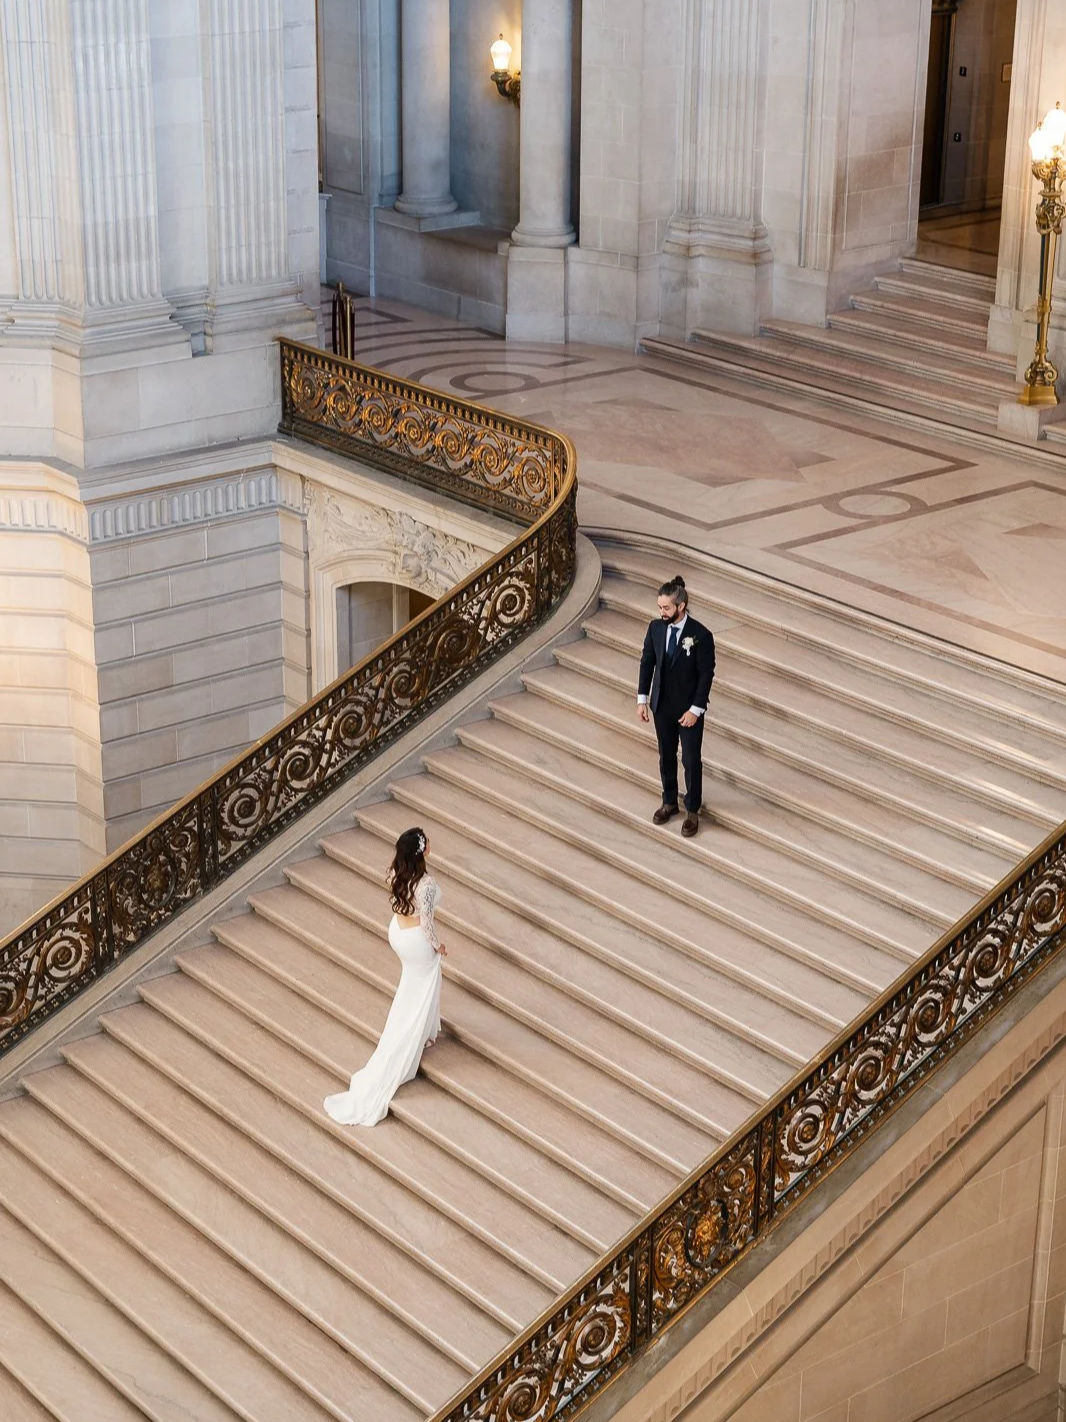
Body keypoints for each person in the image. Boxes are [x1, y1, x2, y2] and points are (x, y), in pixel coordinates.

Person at [323, 826, 447, 1127]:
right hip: (417, 938)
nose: (431, 843)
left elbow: (398, 902)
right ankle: (419, 1035)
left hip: (398, 931)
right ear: (422, 850)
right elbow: (428, 924)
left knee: (414, 987)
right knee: (426, 983)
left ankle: (429, 1030)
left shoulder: (394, 872)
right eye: (427, 841)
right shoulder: (427, 884)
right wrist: (438, 946)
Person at [636, 575, 716, 838]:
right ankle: (669, 801)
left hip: (688, 709)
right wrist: (642, 699)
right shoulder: (656, 628)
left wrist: (696, 710)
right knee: (666, 755)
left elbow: (706, 674)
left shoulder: (700, 635)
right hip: (662, 705)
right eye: (659, 607)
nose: (662, 612)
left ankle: (692, 809)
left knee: (691, 759)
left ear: (681, 606)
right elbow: (647, 662)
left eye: (666, 608)